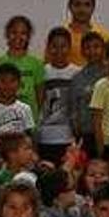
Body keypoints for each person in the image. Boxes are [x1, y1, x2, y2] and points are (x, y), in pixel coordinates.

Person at [0, 64, 35, 174]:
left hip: (18, 165)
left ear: (19, 84)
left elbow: (30, 137)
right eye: (3, 81)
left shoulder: (25, 109)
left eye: (12, 81)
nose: (7, 85)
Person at [38, 27, 80, 163]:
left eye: (63, 46)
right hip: (45, 136)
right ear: (48, 48)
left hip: (69, 136)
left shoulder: (77, 73)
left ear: (69, 48)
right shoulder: (42, 71)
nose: (59, 50)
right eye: (54, 46)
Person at [0, 16, 45, 122]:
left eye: (23, 33)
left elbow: (40, 95)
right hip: (4, 118)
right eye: (14, 32)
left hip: (29, 120)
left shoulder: (36, 63)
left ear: (29, 37)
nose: (18, 37)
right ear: (7, 35)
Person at [70, 31, 107, 156]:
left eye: (96, 47)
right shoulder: (77, 78)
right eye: (88, 48)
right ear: (82, 51)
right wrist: (76, 131)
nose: (92, 51)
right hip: (87, 134)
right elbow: (74, 108)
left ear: (103, 49)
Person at [64, 0, 109, 66]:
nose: (82, 9)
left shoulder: (105, 37)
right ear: (69, 6)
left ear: (93, 7)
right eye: (77, 4)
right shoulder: (61, 37)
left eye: (87, 5)